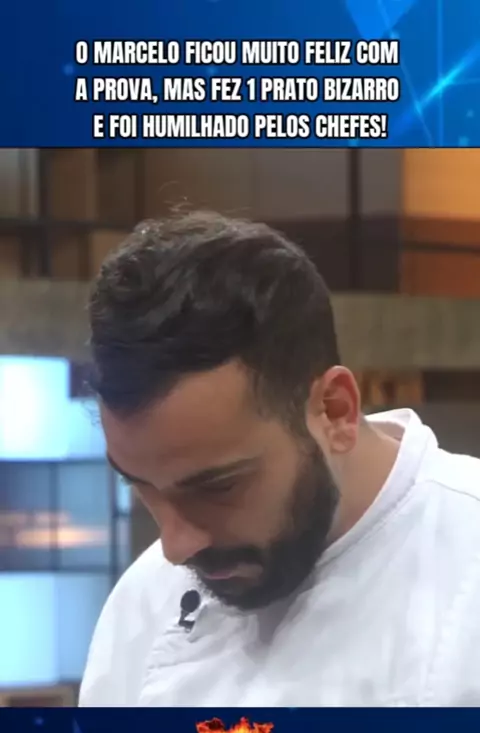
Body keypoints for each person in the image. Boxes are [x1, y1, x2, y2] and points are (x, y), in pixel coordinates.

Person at [80, 210, 480, 707]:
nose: (176, 548)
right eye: (140, 485)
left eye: (218, 487)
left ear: (334, 411)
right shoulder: (143, 605)